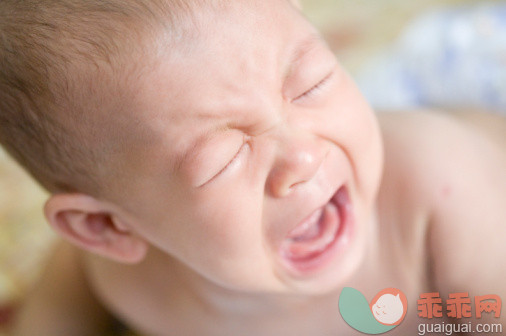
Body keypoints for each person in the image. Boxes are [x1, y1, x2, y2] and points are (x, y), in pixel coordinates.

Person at [1, 0, 505, 335]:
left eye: (310, 81)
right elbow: (70, 278)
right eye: (223, 159)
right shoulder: (128, 279)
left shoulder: (446, 199)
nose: (303, 157)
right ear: (108, 227)